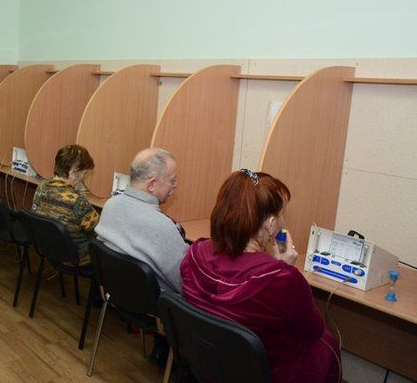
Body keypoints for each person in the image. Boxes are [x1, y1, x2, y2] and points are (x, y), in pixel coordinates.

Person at [180, 169, 341, 383]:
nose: (283, 221)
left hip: (210, 363)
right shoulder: (283, 280)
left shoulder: (195, 252)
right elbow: (312, 331)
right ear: (270, 223)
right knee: (327, 343)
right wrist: (283, 269)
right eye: (282, 214)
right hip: (260, 373)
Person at [95, 147, 188, 366]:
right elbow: (185, 283)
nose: (175, 186)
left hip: (119, 296)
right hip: (154, 309)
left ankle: (161, 349)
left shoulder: (110, 205)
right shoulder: (161, 226)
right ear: (152, 184)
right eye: (172, 180)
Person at [31, 144, 100, 266]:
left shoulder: (42, 186)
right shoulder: (77, 202)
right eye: (84, 173)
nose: (83, 178)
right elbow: (100, 231)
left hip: (48, 250)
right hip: (76, 258)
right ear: (73, 172)